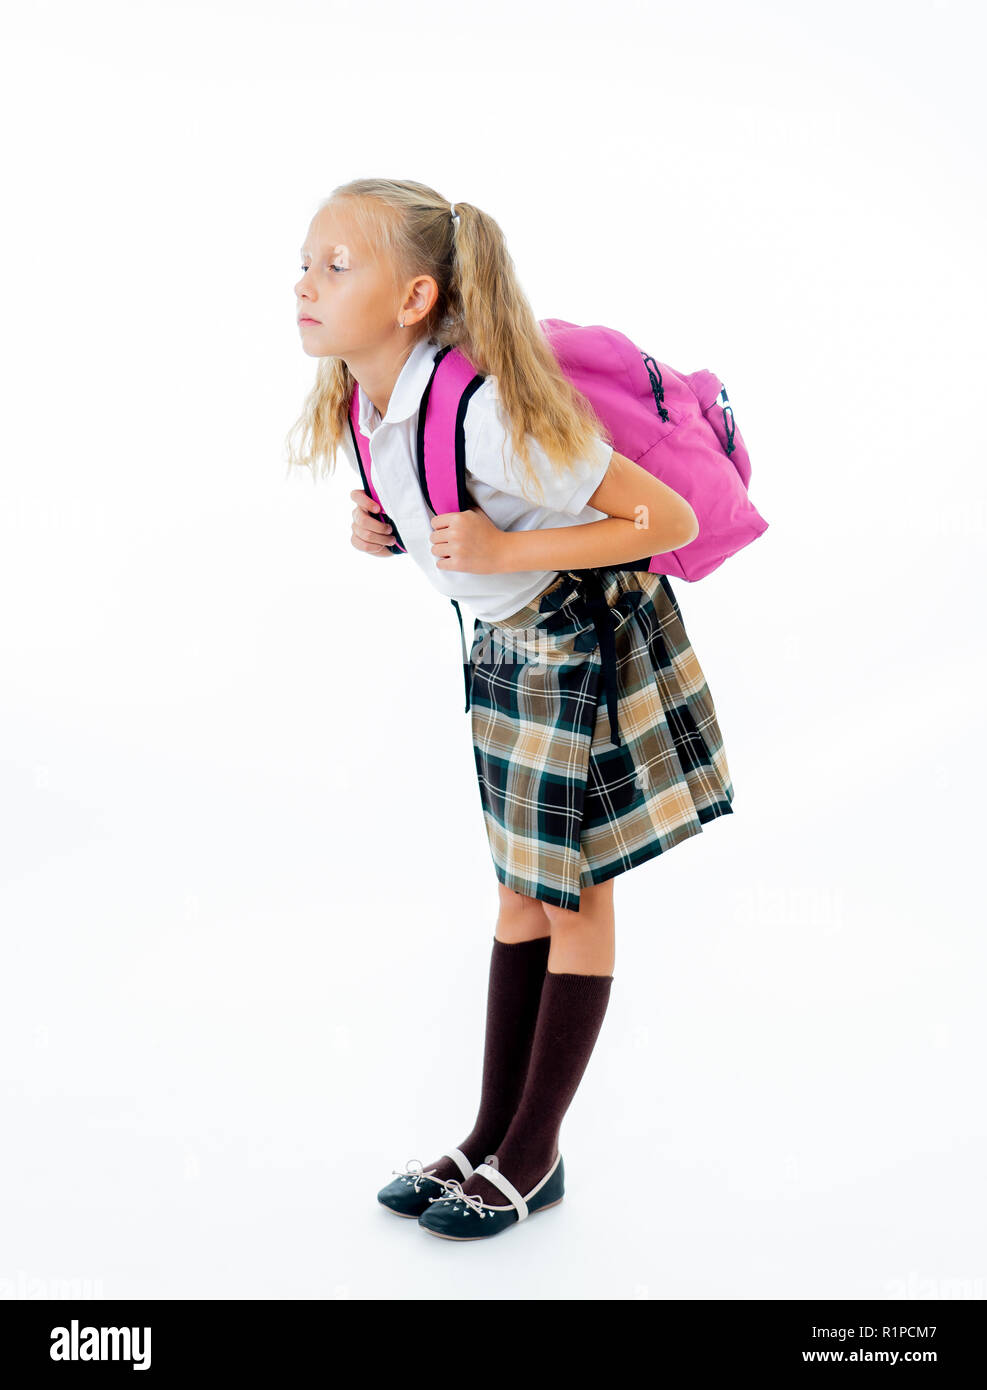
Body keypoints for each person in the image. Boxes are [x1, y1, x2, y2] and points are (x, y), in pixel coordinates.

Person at [286, 178, 735, 1241]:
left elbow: (656, 517)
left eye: (333, 266)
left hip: (583, 639)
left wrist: (504, 550)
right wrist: (384, 522)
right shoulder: (366, 396)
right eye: (302, 262)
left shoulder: (483, 412)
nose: (303, 284)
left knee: (574, 895)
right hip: (504, 649)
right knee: (521, 895)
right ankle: (491, 1131)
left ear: (413, 299)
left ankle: (533, 1152)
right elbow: (435, 510)